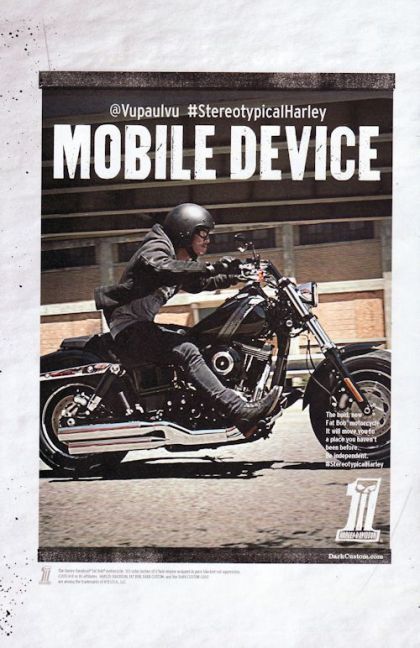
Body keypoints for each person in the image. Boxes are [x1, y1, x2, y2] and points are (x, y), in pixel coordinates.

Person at [94, 203, 280, 436]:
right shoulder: (157, 247)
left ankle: (208, 410)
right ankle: (238, 409)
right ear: (185, 231)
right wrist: (211, 267)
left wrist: (235, 275)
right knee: (187, 350)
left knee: (198, 340)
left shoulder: (177, 260)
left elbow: (200, 283)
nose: (207, 240)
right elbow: (160, 267)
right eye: (203, 234)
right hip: (128, 329)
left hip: (141, 326)